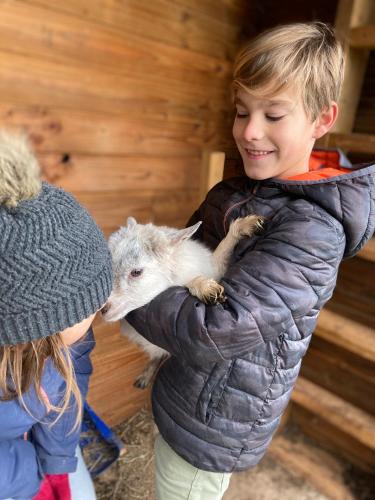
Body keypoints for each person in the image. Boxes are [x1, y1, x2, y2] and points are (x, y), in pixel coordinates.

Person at [125, 22, 375, 500]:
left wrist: (121, 292)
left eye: (273, 115)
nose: (250, 131)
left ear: (323, 119)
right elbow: (179, 262)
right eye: (242, 112)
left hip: (218, 414)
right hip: (189, 389)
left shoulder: (314, 230)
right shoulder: (236, 188)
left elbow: (215, 328)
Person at [0, 131, 113, 499]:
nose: (102, 305)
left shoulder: (68, 341)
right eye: (90, 302)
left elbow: (69, 387)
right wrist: (29, 477)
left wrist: (56, 463)